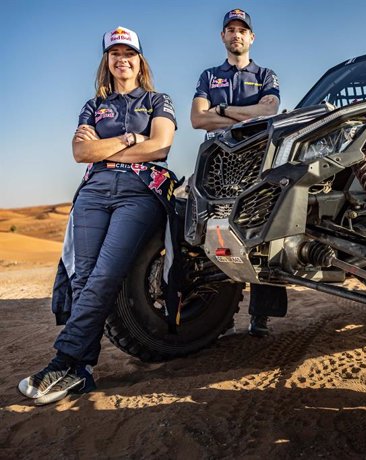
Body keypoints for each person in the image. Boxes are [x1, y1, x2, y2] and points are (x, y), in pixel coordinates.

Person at [18, 26, 178, 404]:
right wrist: (127, 141)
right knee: (83, 278)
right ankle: (81, 373)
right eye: (114, 54)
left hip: (140, 193)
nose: (122, 59)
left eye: (129, 53)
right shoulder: (93, 106)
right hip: (93, 192)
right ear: (107, 61)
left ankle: (65, 360)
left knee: (105, 275)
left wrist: (105, 150)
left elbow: (160, 146)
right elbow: (80, 154)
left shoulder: (158, 100)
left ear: (140, 61)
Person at [191, 8, 286, 337]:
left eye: (242, 30)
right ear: (222, 37)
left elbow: (270, 110)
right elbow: (197, 119)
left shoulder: (265, 75)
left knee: (260, 231)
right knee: (210, 234)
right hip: (215, 163)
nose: (236, 34)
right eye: (230, 29)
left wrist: (222, 111)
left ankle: (260, 316)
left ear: (251, 37)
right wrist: (245, 115)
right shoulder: (208, 76)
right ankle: (211, 316)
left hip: (255, 162)